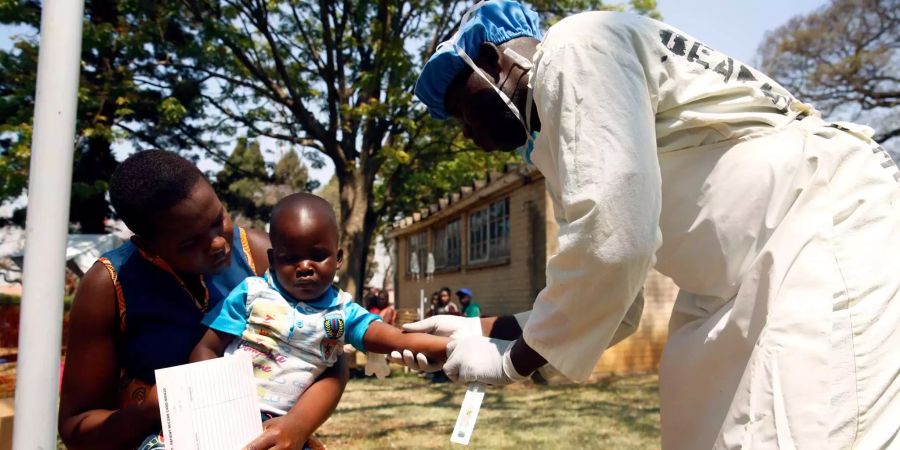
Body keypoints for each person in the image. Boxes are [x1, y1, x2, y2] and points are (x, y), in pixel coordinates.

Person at [398, 1, 900, 448]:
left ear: (493, 61)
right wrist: (482, 330)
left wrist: (513, 361)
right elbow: (616, 300)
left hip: (819, 229)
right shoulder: (560, 134)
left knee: (806, 427)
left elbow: (614, 248)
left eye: (461, 109)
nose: (464, 132)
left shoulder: (577, 47)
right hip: (730, 282)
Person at [57, 151, 347, 450]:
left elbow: (331, 360)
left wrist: (297, 426)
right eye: (190, 242)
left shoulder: (263, 256)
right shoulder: (109, 285)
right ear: (148, 244)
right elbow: (76, 427)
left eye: (217, 219)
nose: (218, 242)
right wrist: (152, 409)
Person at [190, 193, 449, 446]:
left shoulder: (342, 311)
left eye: (317, 256)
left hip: (284, 428)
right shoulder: (251, 293)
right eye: (290, 258)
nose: (304, 266)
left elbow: (391, 337)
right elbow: (207, 348)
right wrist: (212, 405)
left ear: (337, 259)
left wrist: (451, 346)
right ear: (272, 259)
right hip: (225, 413)